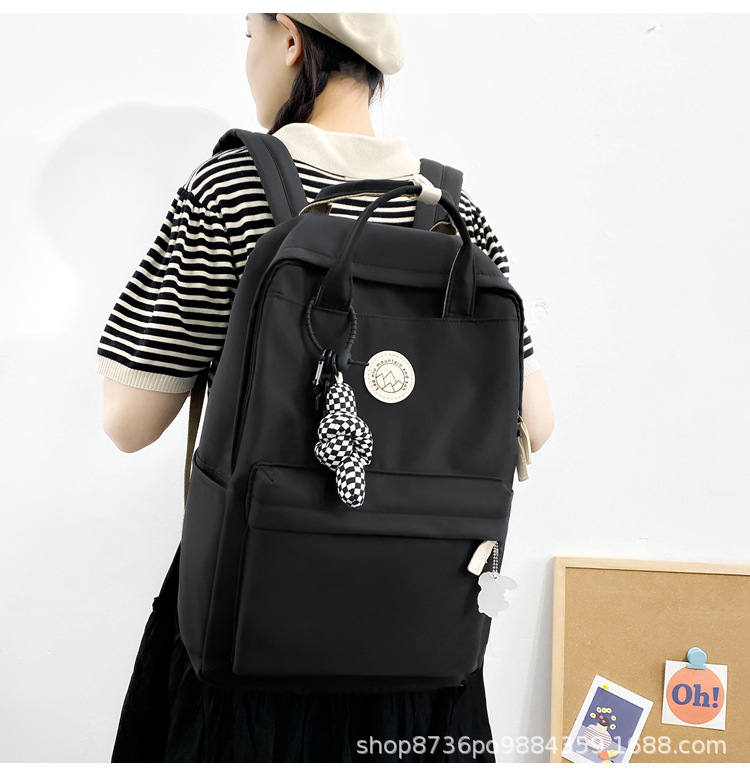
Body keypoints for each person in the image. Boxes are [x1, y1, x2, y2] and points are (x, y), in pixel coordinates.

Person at [96, 12, 555, 763]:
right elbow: (537, 423)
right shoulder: (454, 216)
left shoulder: (232, 188)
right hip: (418, 639)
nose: (248, 56)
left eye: (248, 35)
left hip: (255, 627)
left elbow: (128, 421)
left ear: (289, 38)